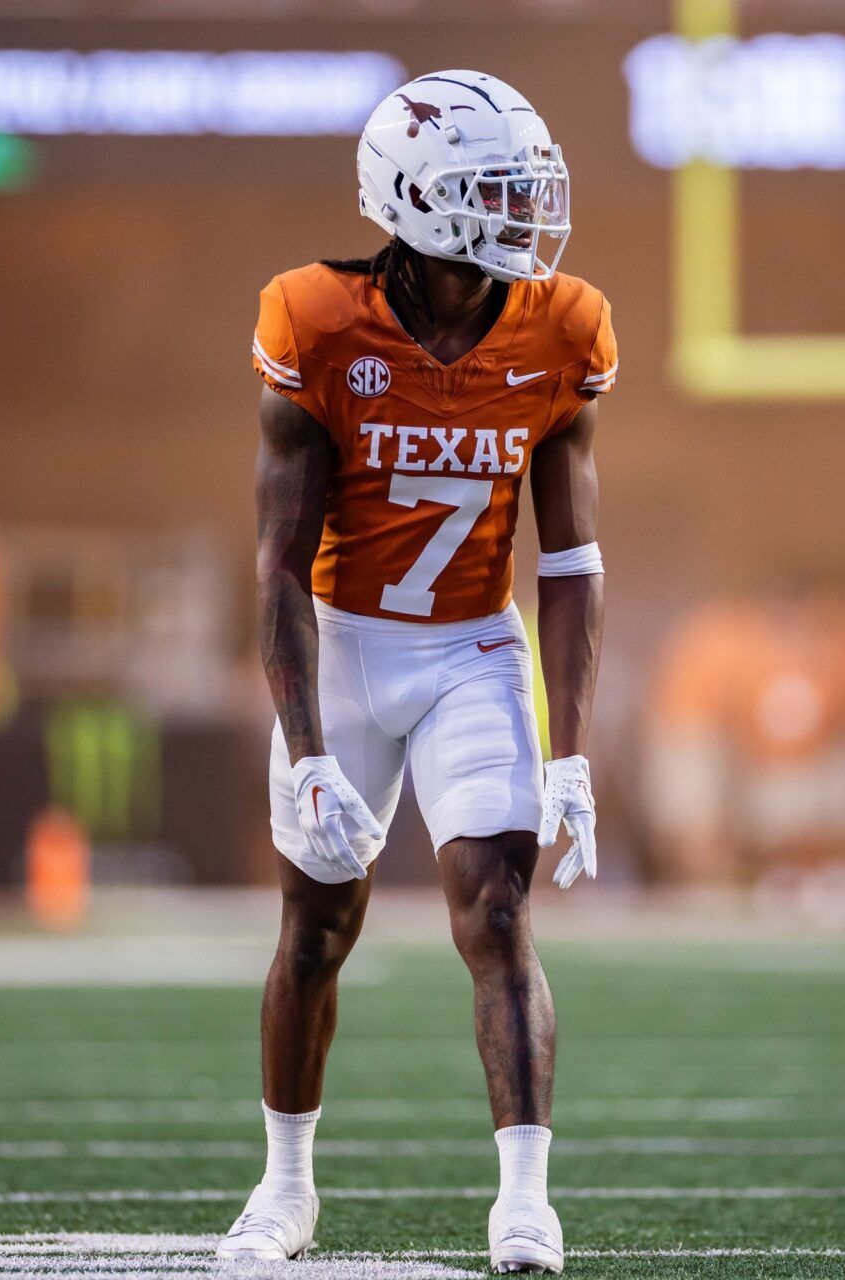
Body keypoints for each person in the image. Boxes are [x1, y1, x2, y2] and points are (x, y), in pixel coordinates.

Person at [221, 71, 613, 1273]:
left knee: (497, 908)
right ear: (414, 195)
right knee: (318, 923)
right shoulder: (318, 320)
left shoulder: (559, 327)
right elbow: (280, 563)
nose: (521, 209)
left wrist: (572, 748)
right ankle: (285, 1185)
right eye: (494, 185)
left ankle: (526, 1201)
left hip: (468, 646)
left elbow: (574, 558)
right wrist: (305, 749)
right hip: (340, 638)